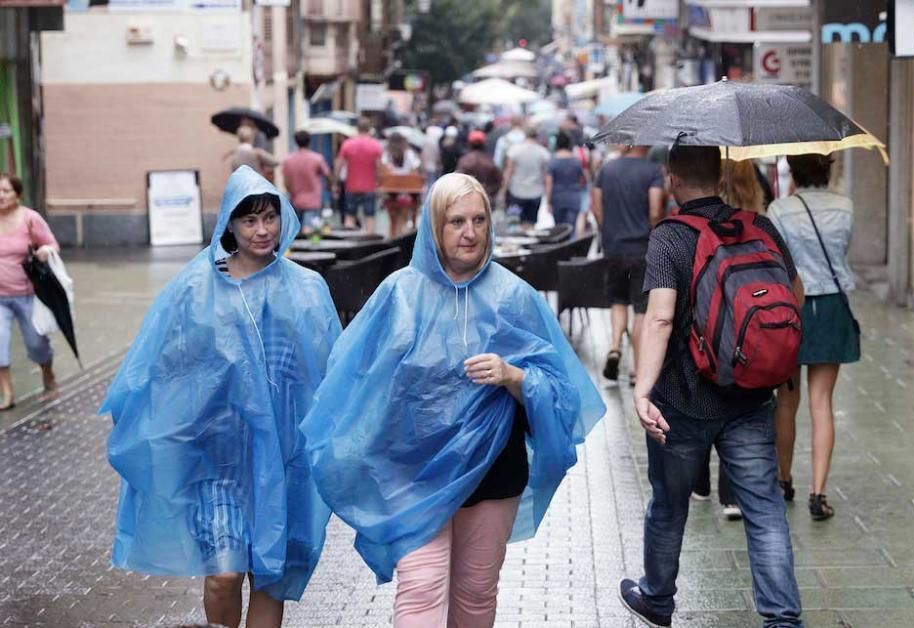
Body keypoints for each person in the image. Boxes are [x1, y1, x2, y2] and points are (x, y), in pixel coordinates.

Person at [301, 173, 605, 628]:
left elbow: (562, 392)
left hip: (493, 473)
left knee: (477, 593)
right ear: (434, 228)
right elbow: (356, 381)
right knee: (421, 590)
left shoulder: (513, 297)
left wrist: (513, 376)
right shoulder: (399, 294)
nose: (469, 232)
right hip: (413, 472)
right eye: (456, 221)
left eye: (479, 220)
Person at [103, 166, 342, 628]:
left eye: (270, 217)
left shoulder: (307, 288)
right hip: (219, 460)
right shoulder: (196, 287)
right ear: (229, 224)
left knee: (271, 575)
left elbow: (328, 371)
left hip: (286, 455)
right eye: (249, 220)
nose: (262, 230)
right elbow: (164, 365)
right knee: (224, 575)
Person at [620, 144, 804, 627]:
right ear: (721, 176)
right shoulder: (758, 225)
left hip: (681, 401)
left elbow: (659, 318)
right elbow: (795, 294)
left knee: (670, 505)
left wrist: (642, 390)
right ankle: (783, 619)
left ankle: (657, 600)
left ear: (672, 179)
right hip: (749, 396)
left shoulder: (670, 237)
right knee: (764, 511)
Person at [768, 153, 860, 521]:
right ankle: (818, 492)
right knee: (822, 402)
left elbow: (778, 259)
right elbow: (840, 253)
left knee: (786, 402)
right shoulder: (845, 207)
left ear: (794, 169)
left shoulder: (779, 209)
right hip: (833, 306)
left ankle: (783, 480)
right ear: (828, 169)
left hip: (792, 307)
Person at [693, 157, 768, 521]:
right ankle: (732, 494)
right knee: (740, 406)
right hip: (748, 323)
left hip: (713, 319)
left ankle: (701, 481)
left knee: (707, 397)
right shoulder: (760, 216)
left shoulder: (704, 219)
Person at [592, 144, 665, 386]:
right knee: (641, 310)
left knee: (618, 301)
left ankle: (614, 347)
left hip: (614, 247)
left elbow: (596, 207)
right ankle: (636, 368)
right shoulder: (653, 170)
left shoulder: (607, 169)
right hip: (642, 249)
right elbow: (655, 210)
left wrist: (608, 231)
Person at [0, 173, 58, 409]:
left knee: (37, 344)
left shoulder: (30, 219)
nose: (0, 196)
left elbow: (52, 243)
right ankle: (7, 393)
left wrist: (45, 251)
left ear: (18, 194)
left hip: (27, 295)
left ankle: (48, 373)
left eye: (5, 191)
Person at [336, 117, 383, 233]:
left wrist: (335, 182)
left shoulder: (347, 144)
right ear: (369, 129)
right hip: (369, 187)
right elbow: (379, 167)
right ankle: (369, 244)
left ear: (357, 128)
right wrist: (379, 182)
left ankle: (349, 244)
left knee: (350, 216)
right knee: (370, 217)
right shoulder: (376, 145)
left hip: (351, 186)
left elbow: (339, 165)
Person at [282, 129, 332, 233]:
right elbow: (327, 175)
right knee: (309, 230)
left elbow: (286, 183)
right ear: (309, 141)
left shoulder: (288, 160)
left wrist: (292, 192)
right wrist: (330, 186)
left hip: (295, 200)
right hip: (313, 201)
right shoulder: (317, 158)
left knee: (296, 231)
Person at [501, 127, 550, 226]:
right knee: (531, 223)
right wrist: (548, 198)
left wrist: (503, 191)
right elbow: (546, 176)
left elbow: (508, 172)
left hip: (516, 192)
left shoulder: (514, 151)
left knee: (514, 223)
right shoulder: (543, 153)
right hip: (536, 193)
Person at [380, 132, 423, 238]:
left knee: (392, 223)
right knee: (403, 221)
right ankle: (403, 244)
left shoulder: (387, 154)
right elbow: (415, 170)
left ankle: (392, 240)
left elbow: (384, 170)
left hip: (391, 192)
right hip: (407, 193)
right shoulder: (409, 153)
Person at [545, 131, 587, 236]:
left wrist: (548, 202)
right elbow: (583, 179)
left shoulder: (552, 162)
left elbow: (549, 184)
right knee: (571, 227)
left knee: (559, 229)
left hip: (557, 197)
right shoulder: (576, 161)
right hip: (573, 197)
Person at [455, 130, 503, 203]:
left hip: (467, 200)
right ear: (484, 144)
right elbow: (499, 181)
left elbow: (457, 181)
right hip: (486, 199)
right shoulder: (489, 161)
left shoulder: (464, 160)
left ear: (469, 143)